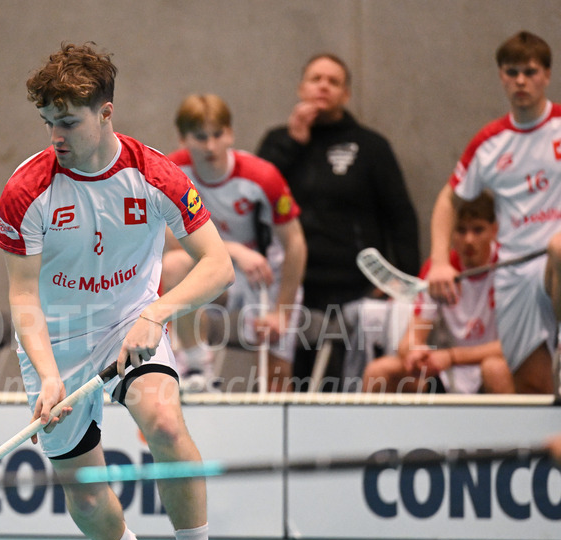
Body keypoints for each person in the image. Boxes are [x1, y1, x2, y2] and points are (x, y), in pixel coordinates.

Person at [0, 43, 246, 540]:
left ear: (106, 112)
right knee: (84, 492)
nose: (55, 134)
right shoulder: (26, 191)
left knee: (162, 420)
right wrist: (50, 377)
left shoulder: (153, 174)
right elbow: (22, 294)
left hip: (131, 323)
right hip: (55, 343)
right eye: (47, 122)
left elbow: (217, 265)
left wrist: (155, 312)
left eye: (68, 121)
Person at [257, 53, 420, 390]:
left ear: (346, 94)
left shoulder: (370, 147)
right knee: (293, 386)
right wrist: (293, 143)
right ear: (301, 87)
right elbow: (257, 200)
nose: (323, 87)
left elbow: (401, 217)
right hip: (294, 287)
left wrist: (402, 284)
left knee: (342, 385)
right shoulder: (278, 142)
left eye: (333, 81)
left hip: (355, 288)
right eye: (316, 79)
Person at [426, 31, 561, 396]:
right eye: (512, 71)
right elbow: (447, 201)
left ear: (547, 75)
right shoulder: (488, 143)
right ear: (501, 76)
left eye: (530, 72)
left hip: (554, 259)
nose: (521, 80)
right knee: (532, 387)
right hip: (514, 273)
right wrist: (440, 262)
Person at [162, 94, 307, 392]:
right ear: (182, 138)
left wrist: (281, 309)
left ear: (230, 133)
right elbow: (173, 241)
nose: (211, 146)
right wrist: (234, 250)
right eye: (200, 137)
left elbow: (295, 244)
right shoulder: (171, 172)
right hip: (216, 268)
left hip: (265, 275)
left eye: (217, 135)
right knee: (174, 266)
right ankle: (197, 367)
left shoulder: (261, 176)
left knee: (277, 376)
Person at [362, 193, 512, 393]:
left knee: (494, 369)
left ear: (494, 230)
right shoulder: (438, 272)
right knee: (378, 372)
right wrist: (416, 353)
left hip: (492, 367)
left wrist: (452, 356)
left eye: (478, 230)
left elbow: (513, 345)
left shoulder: (511, 267)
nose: (468, 240)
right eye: (461, 230)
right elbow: (412, 338)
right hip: (448, 373)